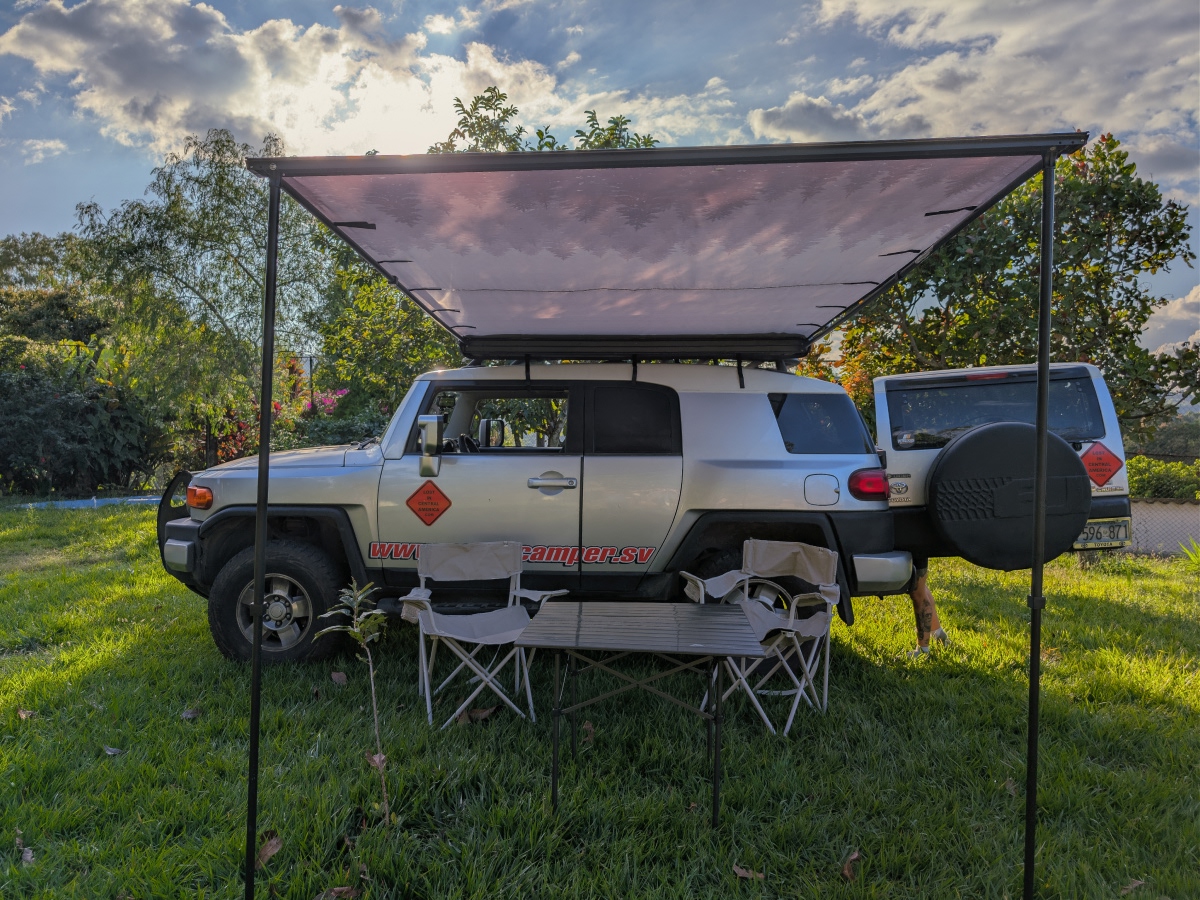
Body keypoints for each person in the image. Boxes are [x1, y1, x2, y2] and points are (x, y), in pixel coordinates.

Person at [908, 557, 948, 657]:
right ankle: (937, 632)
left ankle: (923, 650)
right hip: (918, 547)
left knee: (917, 593)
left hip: (916, 547)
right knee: (920, 588)